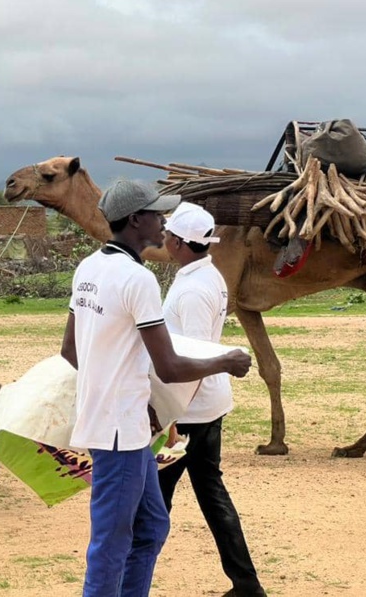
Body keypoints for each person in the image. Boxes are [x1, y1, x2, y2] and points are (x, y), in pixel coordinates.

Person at [60, 178, 252, 597]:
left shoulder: (88, 268)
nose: (163, 222)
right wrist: (227, 360)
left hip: (119, 422)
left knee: (150, 525)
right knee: (110, 542)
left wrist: (113, 384)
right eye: (157, 213)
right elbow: (167, 366)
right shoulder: (138, 279)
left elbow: (70, 350)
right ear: (136, 220)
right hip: (121, 430)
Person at [159, 202, 267, 597]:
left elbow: (199, 356)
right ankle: (246, 583)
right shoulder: (206, 275)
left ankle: (130, 580)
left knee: (154, 501)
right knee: (206, 491)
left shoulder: (192, 290)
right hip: (203, 405)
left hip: (191, 408)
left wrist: (171, 415)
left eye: (169, 234)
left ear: (180, 243)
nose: (164, 238)